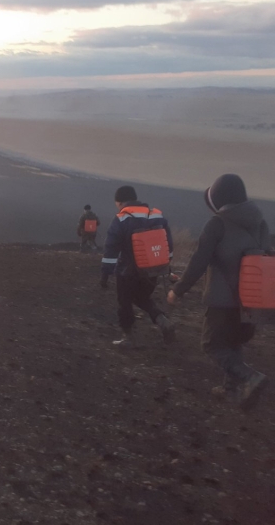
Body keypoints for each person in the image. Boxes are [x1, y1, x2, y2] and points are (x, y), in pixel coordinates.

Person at [167, 174, 270, 410]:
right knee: (234, 341)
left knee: (211, 344)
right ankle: (230, 388)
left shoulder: (217, 223)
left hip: (222, 299)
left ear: (220, 197)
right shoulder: (261, 223)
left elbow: (198, 262)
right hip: (252, 298)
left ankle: (249, 377)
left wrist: (178, 290)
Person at [100, 185, 175, 347]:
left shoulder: (122, 218)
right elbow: (168, 245)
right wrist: (166, 266)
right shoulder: (156, 215)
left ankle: (129, 338)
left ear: (120, 202)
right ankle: (163, 321)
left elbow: (111, 248)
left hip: (128, 271)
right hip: (152, 270)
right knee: (141, 297)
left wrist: (105, 274)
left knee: (125, 302)